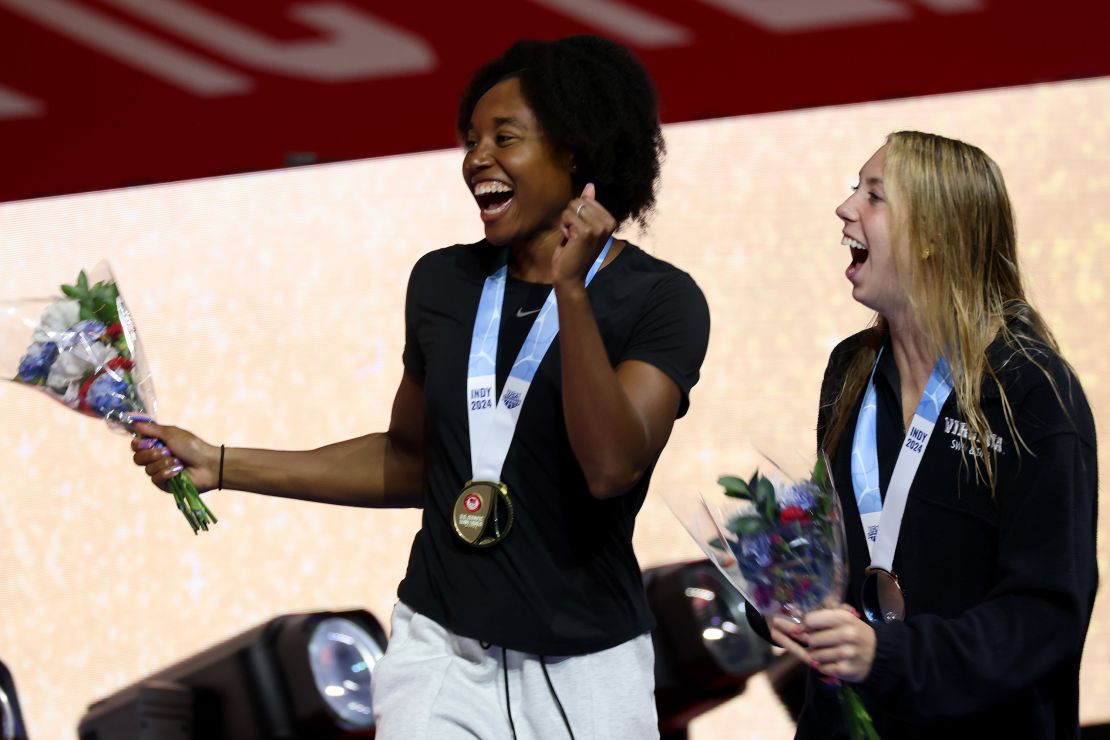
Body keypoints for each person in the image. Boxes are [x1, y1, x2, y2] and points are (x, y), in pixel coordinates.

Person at [130, 35, 709, 740]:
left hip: (586, 663)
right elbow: (412, 458)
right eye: (471, 140)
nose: (477, 160)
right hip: (439, 645)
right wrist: (221, 464)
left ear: (578, 153)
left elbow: (611, 466)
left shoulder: (659, 300)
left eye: (506, 137)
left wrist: (570, 294)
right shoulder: (444, 283)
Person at [760, 131, 1098, 738]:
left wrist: (887, 655)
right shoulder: (852, 369)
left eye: (875, 195)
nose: (845, 209)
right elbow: (836, 542)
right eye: (853, 190)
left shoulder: (1030, 392)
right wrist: (787, 593)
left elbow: (1045, 615)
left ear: (937, 234)